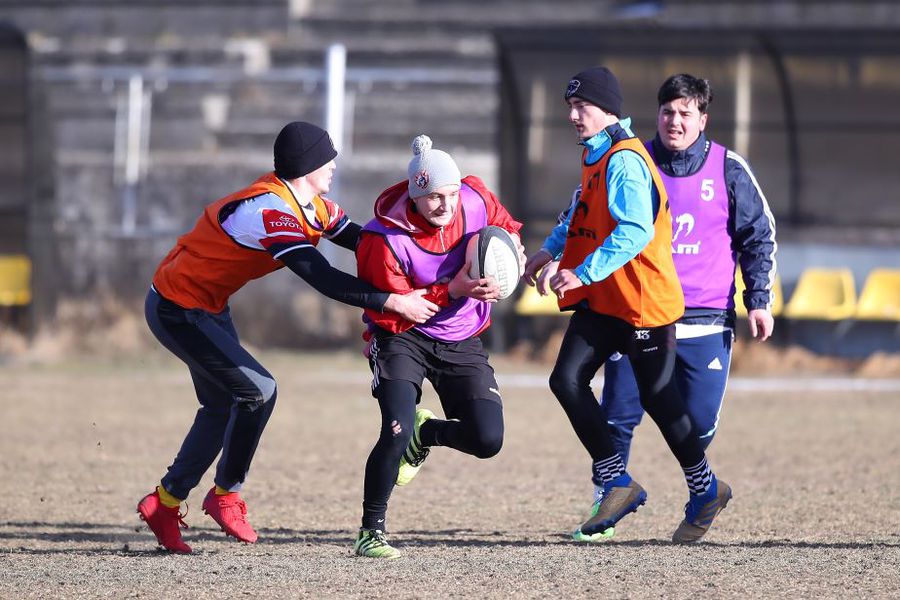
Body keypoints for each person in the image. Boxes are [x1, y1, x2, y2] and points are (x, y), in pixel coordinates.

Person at [136, 121, 439, 554]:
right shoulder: (268, 210)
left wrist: (431, 254)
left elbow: (365, 242)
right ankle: (226, 494)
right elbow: (321, 276)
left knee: (222, 405)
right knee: (259, 391)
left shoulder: (312, 205)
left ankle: (164, 503)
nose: (333, 166)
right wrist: (392, 302)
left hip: (206, 305)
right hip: (177, 308)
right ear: (308, 165)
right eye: (327, 159)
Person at [523, 67, 730, 544]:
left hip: (642, 304)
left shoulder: (624, 160)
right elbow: (581, 210)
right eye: (570, 108)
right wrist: (550, 250)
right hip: (605, 301)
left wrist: (581, 271)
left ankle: (705, 488)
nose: (574, 116)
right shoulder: (597, 153)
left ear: (609, 109)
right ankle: (616, 480)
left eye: (583, 107)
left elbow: (635, 230)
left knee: (661, 402)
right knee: (566, 380)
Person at [352, 134, 525, 558]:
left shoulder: (476, 199)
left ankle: (426, 433)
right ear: (415, 196)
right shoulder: (382, 239)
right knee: (394, 429)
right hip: (401, 337)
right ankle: (370, 531)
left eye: (450, 195)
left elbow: (507, 229)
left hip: (461, 336)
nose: (446, 206)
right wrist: (454, 289)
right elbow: (395, 311)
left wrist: (512, 257)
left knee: (487, 439)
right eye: (433, 198)